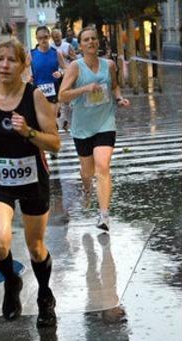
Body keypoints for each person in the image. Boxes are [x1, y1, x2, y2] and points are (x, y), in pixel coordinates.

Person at [0, 39, 61, 327]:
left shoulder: (34, 97)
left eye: (11, 60)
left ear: (23, 65)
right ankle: (12, 281)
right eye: (0, 59)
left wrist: (29, 132)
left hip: (33, 176)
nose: (4, 65)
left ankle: (45, 295)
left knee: (35, 246)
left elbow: (55, 143)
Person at [59, 27, 130, 232]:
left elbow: (115, 86)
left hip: (105, 123)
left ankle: (104, 215)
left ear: (98, 43)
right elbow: (62, 95)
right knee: (88, 171)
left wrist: (119, 98)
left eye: (94, 39)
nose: (91, 42)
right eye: (86, 40)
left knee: (103, 165)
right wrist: (85, 89)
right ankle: (87, 189)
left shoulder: (108, 65)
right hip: (82, 128)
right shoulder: (75, 67)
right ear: (80, 45)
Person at [51, 28, 76, 132]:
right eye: (54, 36)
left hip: (67, 74)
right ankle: (62, 116)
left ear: (61, 36)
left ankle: (66, 120)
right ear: (52, 37)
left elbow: (75, 58)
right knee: (58, 98)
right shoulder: (51, 48)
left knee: (66, 98)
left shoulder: (67, 46)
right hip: (55, 75)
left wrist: (67, 56)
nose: (57, 38)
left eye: (58, 36)